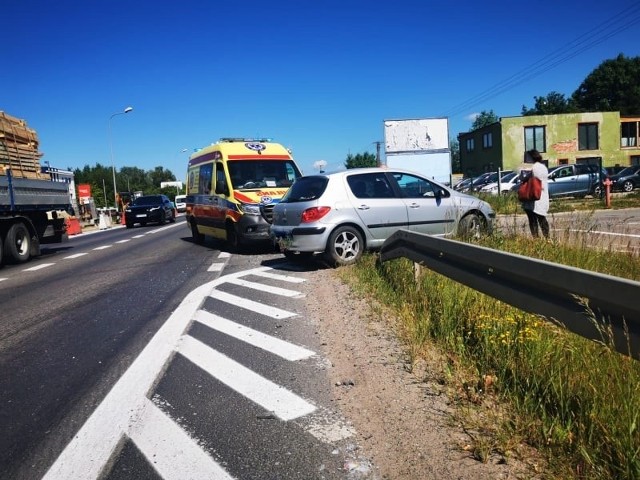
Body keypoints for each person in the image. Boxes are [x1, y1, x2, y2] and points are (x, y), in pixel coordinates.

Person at [519, 149, 549, 238]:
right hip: (542, 196)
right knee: (542, 218)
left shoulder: (532, 167)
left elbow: (522, 177)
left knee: (533, 220)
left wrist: (523, 168)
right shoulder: (543, 167)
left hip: (532, 197)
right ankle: (547, 238)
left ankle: (536, 238)